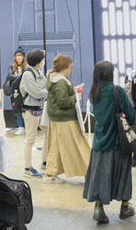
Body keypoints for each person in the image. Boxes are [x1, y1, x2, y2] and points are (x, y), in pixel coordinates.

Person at [83, 61, 135, 224]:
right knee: (123, 174)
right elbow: (131, 116)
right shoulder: (117, 90)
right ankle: (125, 207)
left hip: (100, 142)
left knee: (100, 176)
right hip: (118, 142)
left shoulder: (94, 93)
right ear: (110, 74)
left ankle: (99, 207)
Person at [44, 54, 90, 183]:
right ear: (67, 66)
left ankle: (50, 174)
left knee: (56, 146)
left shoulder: (53, 78)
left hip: (56, 118)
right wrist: (75, 96)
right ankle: (88, 170)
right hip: (65, 119)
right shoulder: (61, 82)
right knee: (79, 146)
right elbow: (63, 101)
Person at [20, 49, 48, 178]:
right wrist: (47, 92)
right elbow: (37, 92)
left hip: (39, 108)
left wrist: (45, 90)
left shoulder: (38, 71)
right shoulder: (28, 74)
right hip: (30, 110)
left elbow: (45, 86)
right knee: (30, 139)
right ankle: (27, 168)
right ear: (38, 62)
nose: (44, 61)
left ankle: (45, 162)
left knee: (48, 132)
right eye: (42, 59)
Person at [6, 46, 26, 135]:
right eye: (17, 55)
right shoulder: (11, 66)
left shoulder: (26, 67)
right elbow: (9, 76)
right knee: (17, 110)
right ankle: (20, 127)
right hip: (15, 92)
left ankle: (28, 127)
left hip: (25, 91)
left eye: (21, 55)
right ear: (15, 57)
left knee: (26, 110)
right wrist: (19, 77)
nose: (19, 57)